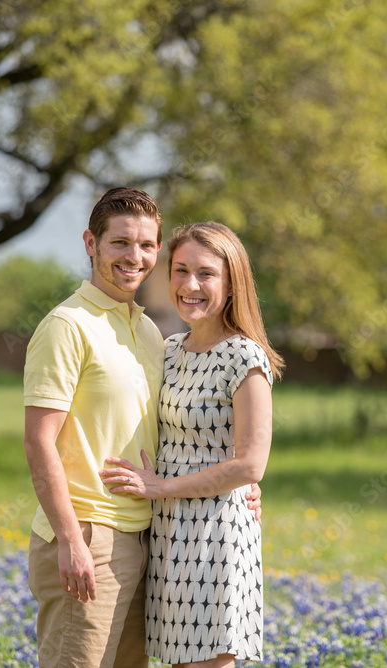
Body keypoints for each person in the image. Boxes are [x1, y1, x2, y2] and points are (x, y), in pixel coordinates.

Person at [23, 189, 260, 668]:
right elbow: (38, 439)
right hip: (89, 534)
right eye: (120, 243)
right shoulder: (66, 325)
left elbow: (191, 427)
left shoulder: (152, 334)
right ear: (91, 243)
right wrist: (70, 540)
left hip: (151, 539)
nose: (135, 257)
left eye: (147, 246)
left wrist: (245, 480)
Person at [100, 221, 284, 668]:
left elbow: (250, 466)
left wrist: (160, 487)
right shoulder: (172, 349)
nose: (190, 285)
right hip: (168, 532)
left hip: (215, 533)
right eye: (180, 271)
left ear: (231, 283)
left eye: (206, 274)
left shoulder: (245, 356)